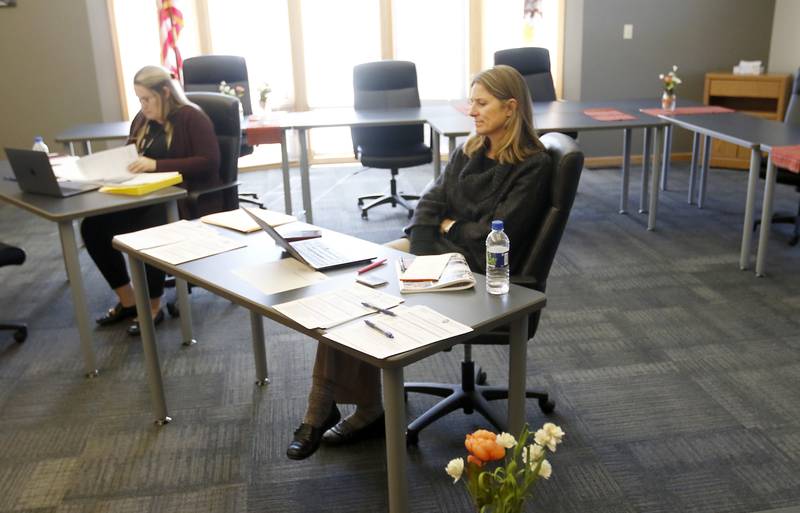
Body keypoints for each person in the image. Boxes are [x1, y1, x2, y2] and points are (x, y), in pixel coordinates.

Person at [286, 64, 552, 460]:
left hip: (476, 271)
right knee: (355, 284)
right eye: (472, 102)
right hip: (435, 251)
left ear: (511, 107)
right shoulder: (472, 148)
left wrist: (448, 230)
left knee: (376, 295)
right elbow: (431, 200)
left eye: (481, 103)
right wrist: (429, 242)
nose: (472, 111)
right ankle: (333, 405)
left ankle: (345, 410)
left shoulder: (533, 164)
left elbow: (494, 235)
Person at [81, 65, 221, 336]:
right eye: (139, 100)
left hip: (185, 198)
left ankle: (152, 306)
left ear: (165, 93)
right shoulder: (143, 121)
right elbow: (131, 155)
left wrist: (156, 165)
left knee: (147, 230)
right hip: (143, 195)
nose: (143, 106)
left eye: (147, 99)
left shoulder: (192, 118)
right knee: (92, 226)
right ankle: (128, 299)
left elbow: (209, 162)